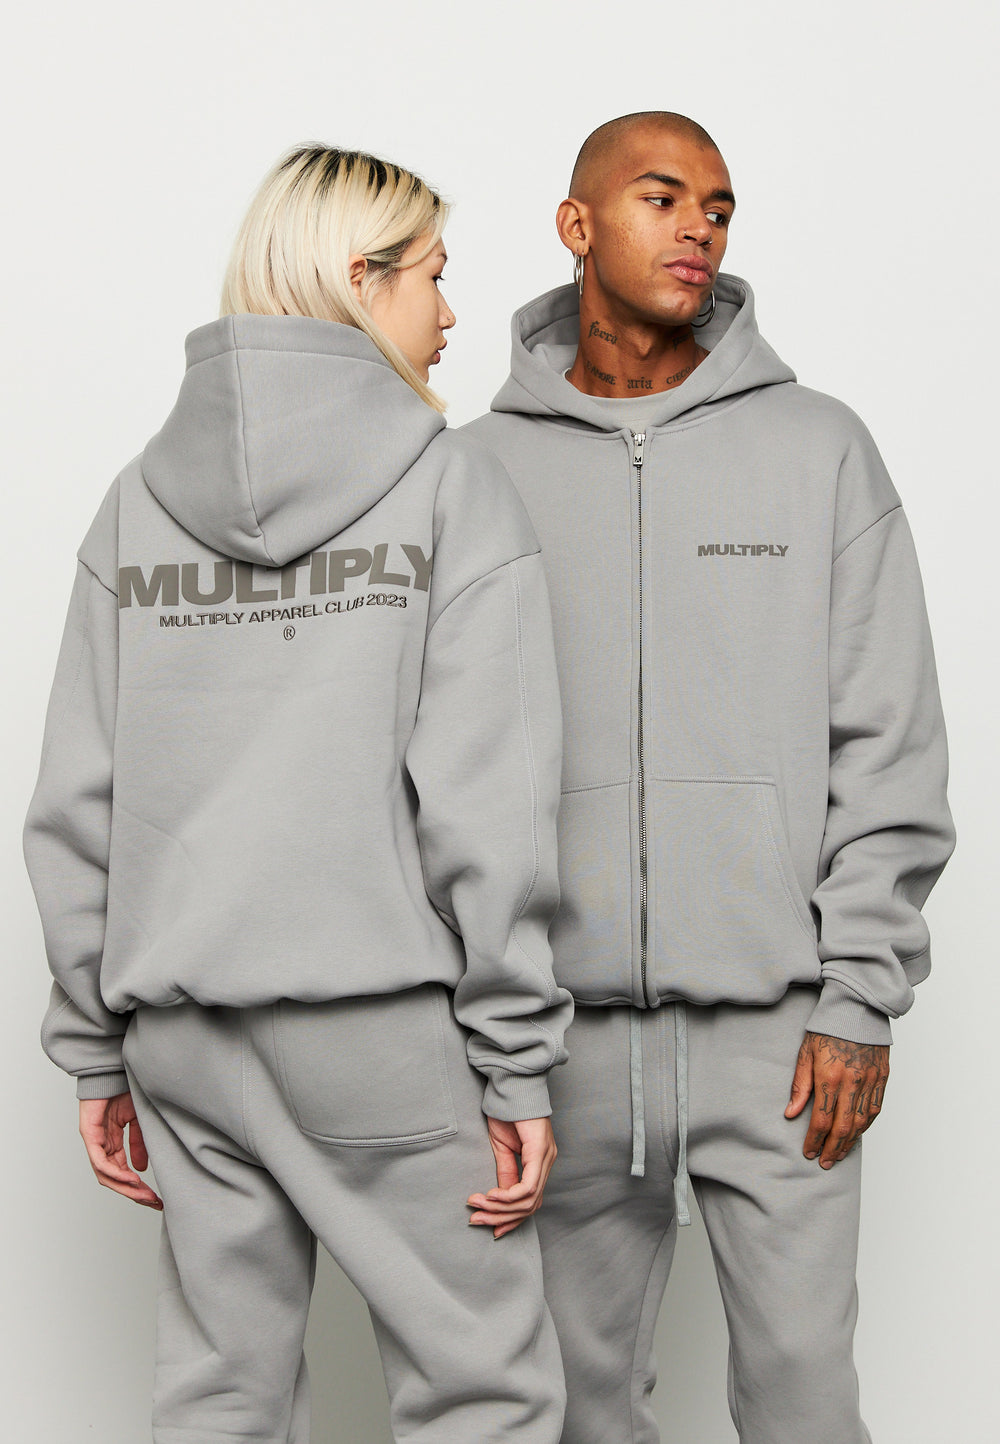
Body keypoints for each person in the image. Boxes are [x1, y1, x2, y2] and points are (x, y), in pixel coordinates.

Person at [24, 144, 573, 1444]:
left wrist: (94, 1044)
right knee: (483, 1391)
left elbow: (80, 799)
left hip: (182, 1040)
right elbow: (489, 804)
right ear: (359, 277)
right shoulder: (450, 487)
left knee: (222, 1395)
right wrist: (517, 1066)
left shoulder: (135, 504)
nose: (451, 315)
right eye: (433, 276)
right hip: (378, 1034)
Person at [463, 111, 955, 1443]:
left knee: (804, 1400)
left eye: (720, 207)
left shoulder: (820, 449)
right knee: (572, 1411)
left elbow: (891, 736)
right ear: (576, 225)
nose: (699, 228)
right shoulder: (472, 473)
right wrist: (486, 1029)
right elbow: (436, 767)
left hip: (781, 1039)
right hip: (555, 1040)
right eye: (663, 196)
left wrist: (860, 997)